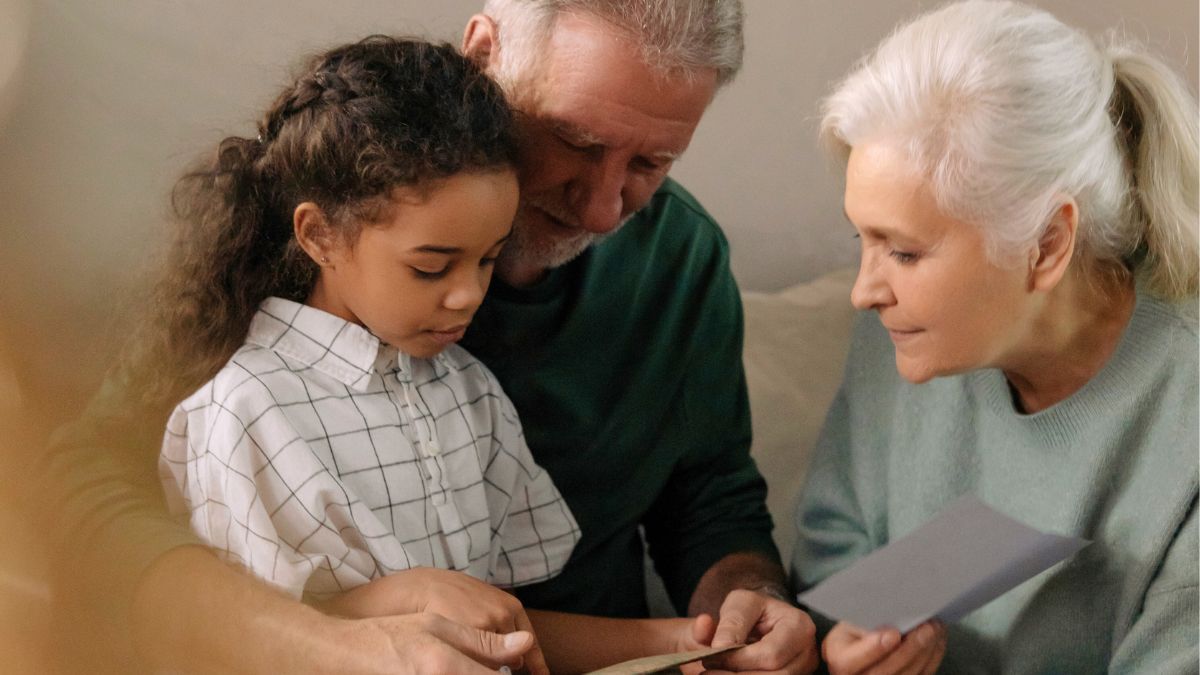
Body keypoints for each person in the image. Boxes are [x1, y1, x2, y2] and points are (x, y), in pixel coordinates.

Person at [37, 1, 818, 673]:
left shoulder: (683, 260)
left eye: (651, 162)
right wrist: (329, 645)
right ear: (487, 55)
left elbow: (710, 498)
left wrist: (750, 606)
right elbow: (87, 490)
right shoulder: (319, 226)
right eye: (576, 141)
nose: (604, 208)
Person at [791, 1, 1198, 673]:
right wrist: (843, 643)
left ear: (1046, 244)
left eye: (905, 252)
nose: (866, 290)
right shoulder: (898, 338)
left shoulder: (1185, 412)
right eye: (862, 238)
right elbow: (830, 558)